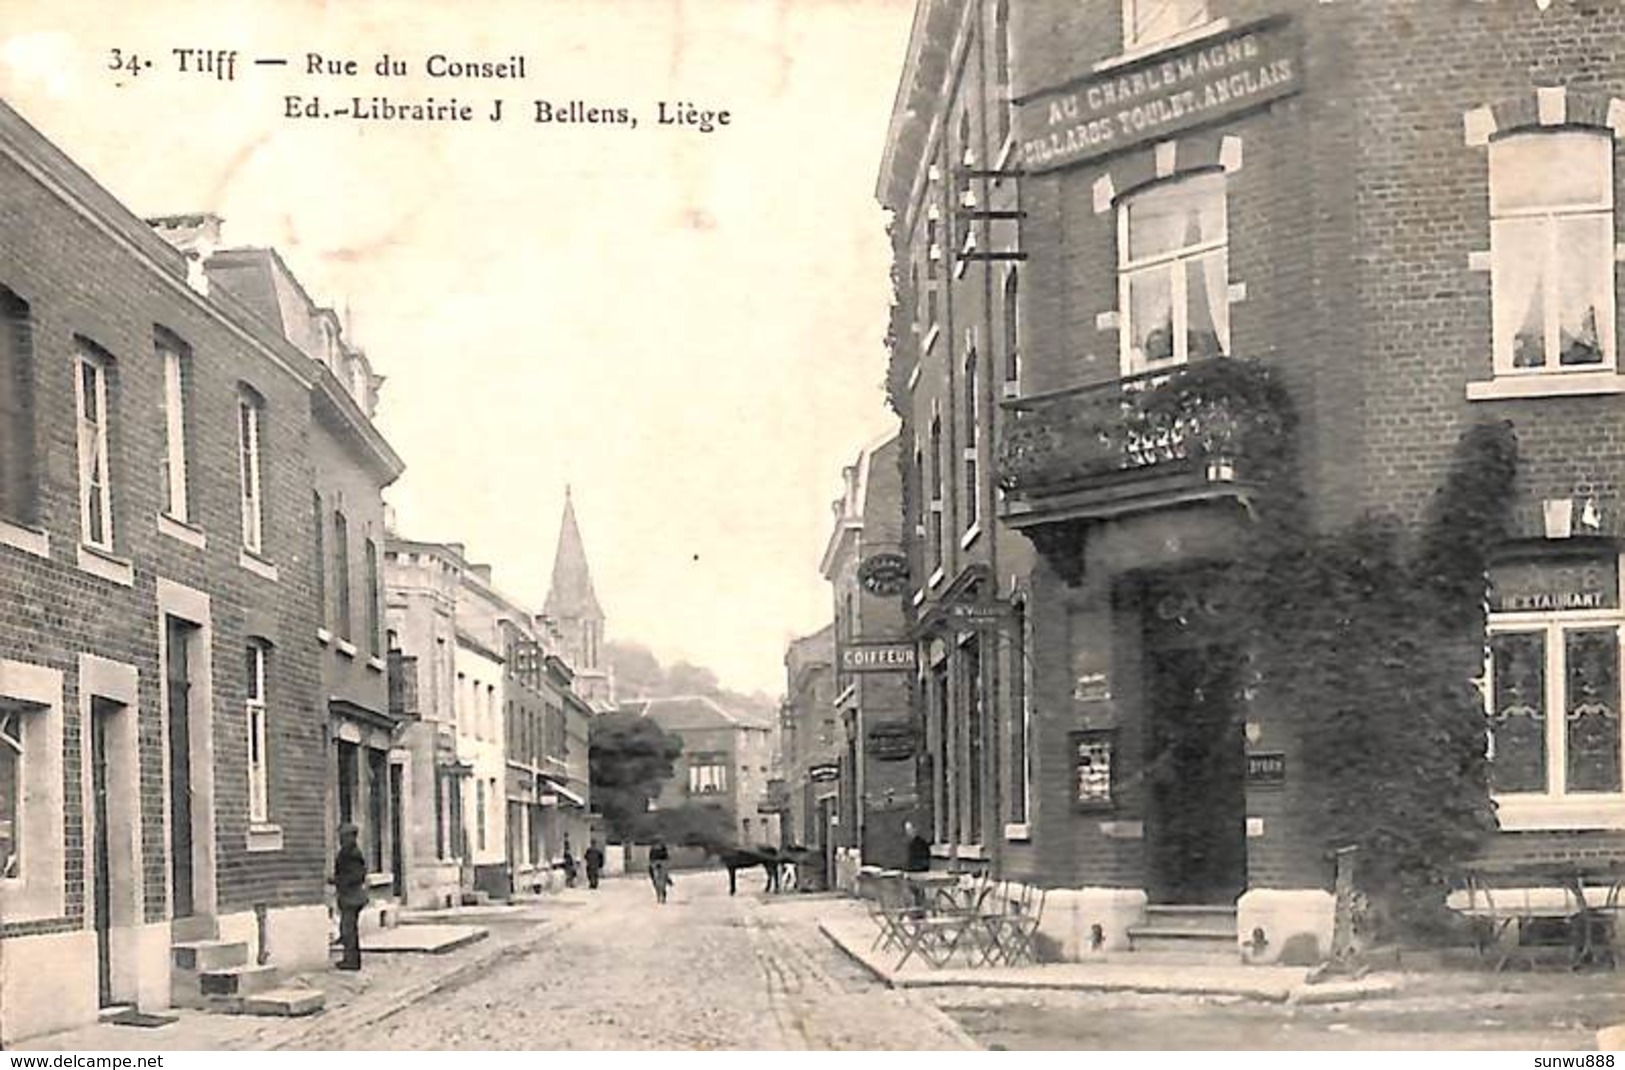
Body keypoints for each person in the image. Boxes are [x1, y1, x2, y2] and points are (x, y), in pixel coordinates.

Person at [332, 823, 369, 971]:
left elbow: (356, 875)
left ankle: (351, 961)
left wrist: (337, 881)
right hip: (350, 896)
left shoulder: (351, 853)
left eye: (343, 836)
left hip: (352, 897)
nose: (340, 839)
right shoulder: (349, 851)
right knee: (347, 929)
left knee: (349, 930)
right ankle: (350, 959)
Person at [648, 837, 671, 904]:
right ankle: (659, 895)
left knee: (661, 881)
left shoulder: (663, 849)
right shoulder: (653, 849)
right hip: (656, 865)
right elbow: (651, 859)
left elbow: (666, 858)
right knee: (657, 881)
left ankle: (662, 896)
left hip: (661, 865)